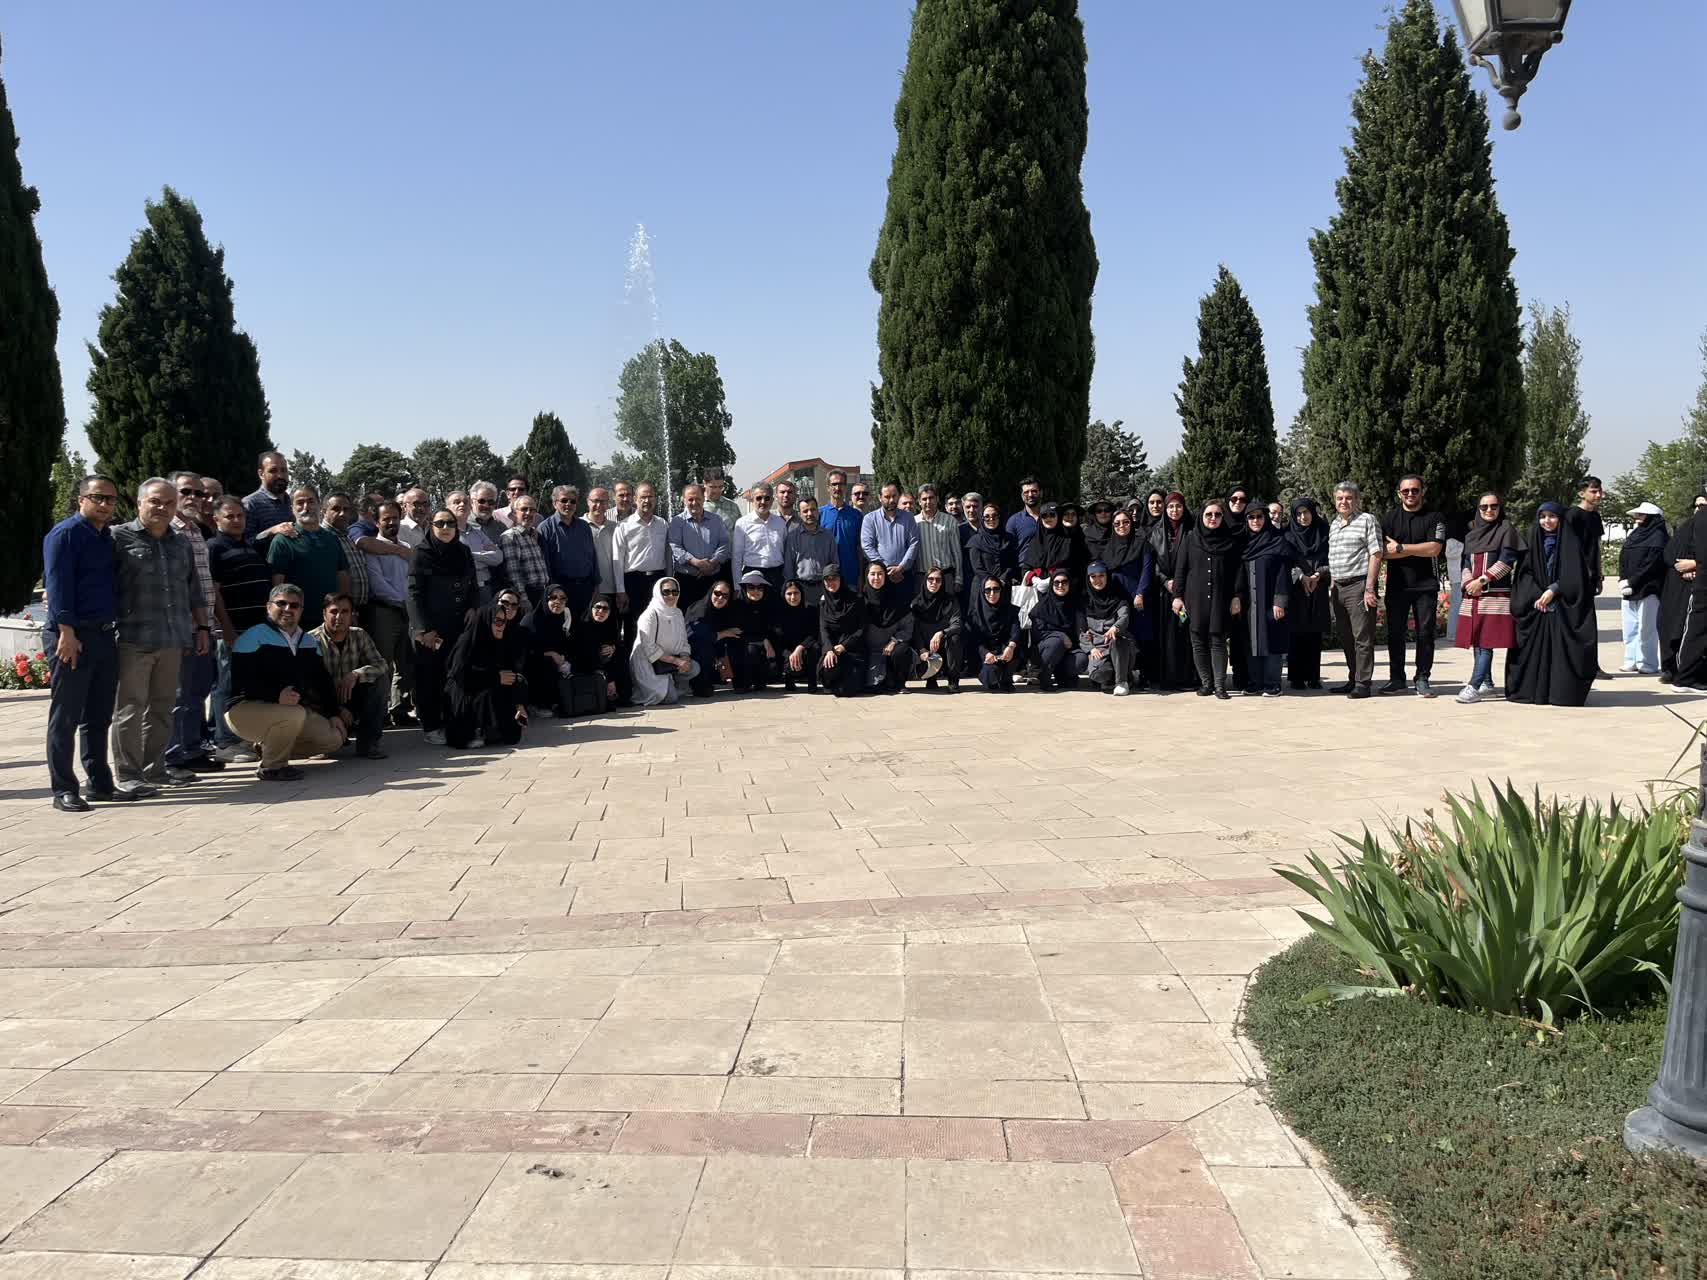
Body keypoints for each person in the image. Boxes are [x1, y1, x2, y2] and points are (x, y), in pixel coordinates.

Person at [42, 474, 135, 811]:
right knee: (65, 716)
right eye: (98, 497)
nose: (105, 504)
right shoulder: (65, 534)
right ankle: (63, 789)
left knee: (98, 716)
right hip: (72, 637)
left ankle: (100, 783)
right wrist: (66, 632)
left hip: (104, 635)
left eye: (111, 499)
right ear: (81, 499)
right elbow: (58, 586)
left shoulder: (106, 537)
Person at [113, 478, 210, 790]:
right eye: (155, 501)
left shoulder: (181, 543)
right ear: (139, 502)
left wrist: (202, 627)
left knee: (163, 709)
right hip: (133, 638)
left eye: (169, 503)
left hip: (172, 639)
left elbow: (193, 591)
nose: (162, 508)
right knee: (130, 710)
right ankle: (128, 775)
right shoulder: (117, 537)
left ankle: (155, 771)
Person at [226, 584, 347, 782]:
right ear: (268, 607)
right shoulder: (252, 637)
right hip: (243, 711)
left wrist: (333, 713)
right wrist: (276, 695)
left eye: (294, 605)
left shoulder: (308, 641)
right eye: (281, 603)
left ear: (301, 610)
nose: (288, 609)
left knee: (334, 738)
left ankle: (269, 747)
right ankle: (272, 767)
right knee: (294, 713)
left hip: (287, 712)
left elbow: (322, 681)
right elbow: (242, 684)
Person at [1505, 502, 1596, 707]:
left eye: (1552, 516)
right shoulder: (1532, 541)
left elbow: (1577, 574)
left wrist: (1554, 590)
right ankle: (1531, 692)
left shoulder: (1571, 542)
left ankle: (1559, 694)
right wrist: (1538, 594)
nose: (1547, 521)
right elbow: (1524, 574)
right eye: (1543, 516)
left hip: (1563, 605)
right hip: (1536, 604)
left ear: (1561, 519)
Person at [165, 471, 225, 775]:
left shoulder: (196, 530)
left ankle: (191, 749)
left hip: (204, 627)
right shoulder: (167, 532)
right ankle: (172, 756)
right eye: (187, 491)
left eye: (199, 493)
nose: (194, 498)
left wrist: (207, 625)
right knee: (178, 695)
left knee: (197, 693)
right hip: (180, 628)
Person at [206, 499, 274, 763]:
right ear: (216, 519)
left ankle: (245, 736)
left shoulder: (248, 546)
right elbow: (214, 592)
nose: (236, 520)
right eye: (230, 516)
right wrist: (227, 629)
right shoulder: (215, 547)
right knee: (226, 685)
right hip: (233, 631)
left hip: (257, 630)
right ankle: (224, 741)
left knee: (248, 686)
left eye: (240, 516)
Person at [409, 508, 478, 745]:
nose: (446, 528)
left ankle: (454, 722)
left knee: (455, 675)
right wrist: (424, 629)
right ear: (431, 525)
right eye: (440, 523)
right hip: (431, 628)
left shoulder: (463, 551)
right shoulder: (420, 553)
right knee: (429, 677)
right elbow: (413, 594)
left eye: (450, 523)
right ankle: (431, 726)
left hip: (458, 625)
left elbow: (473, 584)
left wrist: (473, 607)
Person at [1379, 475, 1447, 697]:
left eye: (1415, 490)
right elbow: (1382, 552)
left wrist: (1401, 548)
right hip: (1397, 586)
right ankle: (1397, 679)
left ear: (1423, 491)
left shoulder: (1434, 517)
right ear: (1399, 493)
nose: (1410, 494)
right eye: (1406, 491)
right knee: (1395, 633)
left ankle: (1422, 678)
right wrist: (1417, 549)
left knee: (1425, 633)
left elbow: (1434, 549)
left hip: (1425, 585)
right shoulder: (1389, 519)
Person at [1453, 491, 1522, 704]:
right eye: (1484, 507)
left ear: (1500, 508)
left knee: (1485, 642)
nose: (1489, 510)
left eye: (1494, 506)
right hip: (1473, 596)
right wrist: (1468, 583)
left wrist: (1481, 581)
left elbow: (1506, 562)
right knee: (1477, 641)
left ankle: (1473, 686)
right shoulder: (1472, 534)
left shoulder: (1506, 530)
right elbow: (1466, 562)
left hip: (1495, 597)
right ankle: (1487, 683)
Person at [1173, 498, 1241, 699]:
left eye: (1217, 514)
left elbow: (1238, 572)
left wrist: (1237, 596)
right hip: (1195, 599)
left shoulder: (1230, 542)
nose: (1213, 518)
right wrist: (1177, 596)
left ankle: (1220, 686)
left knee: (1218, 642)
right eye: (1208, 514)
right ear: (1201, 516)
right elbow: (1181, 570)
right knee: (1198, 642)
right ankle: (1206, 683)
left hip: (1221, 599)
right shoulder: (1191, 539)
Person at [308, 592, 390, 758]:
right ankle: (326, 739)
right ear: (324, 614)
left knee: (380, 680)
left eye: (345, 611)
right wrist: (336, 709)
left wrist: (356, 674)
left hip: (351, 699)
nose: (339, 617)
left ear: (352, 614)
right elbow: (309, 685)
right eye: (334, 611)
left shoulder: (359, 635)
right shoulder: (310, 640)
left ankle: (368, 743)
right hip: (322, 704)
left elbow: (381, 665)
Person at [445, 591, 530, 748]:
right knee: (489, 693)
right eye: (497, 621)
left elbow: (511, 673)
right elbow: (459, 675)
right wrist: (495, 677)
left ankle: (493, 730)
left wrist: (519, 705)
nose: (501, 625)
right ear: (485, 621)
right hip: (464, 691)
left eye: (504, 622)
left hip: (488, 685)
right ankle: (476, 730)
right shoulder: (467, 641)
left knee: (511, 734)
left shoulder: (501, 642)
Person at [1327, 480, 1383, 698]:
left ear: (1357, 500)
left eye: (1349, 498)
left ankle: (1363, 683)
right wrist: (1332, 585)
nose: (1344, 502)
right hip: (1338, 588)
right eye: (1340, 498)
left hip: (1359, 586)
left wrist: (1369, 588)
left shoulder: (1367, 520)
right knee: (1346, 637)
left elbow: (1376, 553)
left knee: (1362, 637)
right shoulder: (1334, 524)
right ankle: (1353, 678)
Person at [266, 487, 350, 631]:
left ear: (319, 504)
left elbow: (342, 576)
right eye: (300, 503)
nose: (306, 507)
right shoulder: (282, 541)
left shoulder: (332, 539)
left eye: (311, 501)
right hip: (297, 624)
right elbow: (277, 586)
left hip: (331, 622)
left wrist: (347, 611)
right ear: (292, 508)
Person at [362, 500, 414, 724]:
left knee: (405, 664)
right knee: (383, 664)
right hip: (385, 611)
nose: (392, 522)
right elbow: (377, 583)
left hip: (408, 613)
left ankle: (399, 710)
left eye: (395, 518)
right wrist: (402, 602)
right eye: (386, 519)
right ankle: (380, 712)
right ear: (377, 522)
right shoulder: (373, 549)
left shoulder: (406, 548)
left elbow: (412, 579)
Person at [1236, 504, 1295, 697]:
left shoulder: (1277, 541)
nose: (1255, 521)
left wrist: (1280, 601)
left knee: (1272, 640)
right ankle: (1255, 682)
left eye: (1259, 517)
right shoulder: (1244, 543)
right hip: (1250, 603)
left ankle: (1272, 683)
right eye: (1251, 517)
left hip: (1271, 602)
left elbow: (1283, 574)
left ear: (1266, 518)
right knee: (1252, 641)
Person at [1148, 493, 1197, 690]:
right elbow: (1151, 562)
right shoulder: (1156, 532)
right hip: (1164, 593)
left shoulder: (1192, 529)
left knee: (1184, 631)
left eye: (1178, 506)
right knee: (1166, 635)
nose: (1174, 510)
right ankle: (1168, 678)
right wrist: (1164, 580)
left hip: (1186, 592)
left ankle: (1187, 677)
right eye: (1171, 507)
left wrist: (1180, 584)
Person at [1101, 508, 1153, 689]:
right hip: (1117, 599)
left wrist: (1140, 593)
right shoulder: (1109, 547)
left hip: (1137, 597)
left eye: (1125, 522)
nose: (1121, 526)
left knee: (1142, 636)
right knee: (1121, 635)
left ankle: (1145, 674)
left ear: (1132, 523)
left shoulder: (1142, 543)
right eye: (1117, 523)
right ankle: (1124, 674)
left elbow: (1147, 570)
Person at [1284, 497, 1331, 691]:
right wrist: (1301, 577)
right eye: (1299, 513)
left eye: (1306, 512)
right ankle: (1296, 677)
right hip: (1296, 590)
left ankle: (1313, 677)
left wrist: (1319, 574)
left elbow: (1331, 557)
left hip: (1318, 587)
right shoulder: (1287, 535)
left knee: (1314, 633)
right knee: (1296, 633)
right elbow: (1285, 562)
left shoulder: (1324, 532)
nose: (1303, 517)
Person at [629, 577, 699, 706]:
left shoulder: (677, 612)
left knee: (694, 668)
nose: (671, 595)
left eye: (675, 592)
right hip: (648, 662)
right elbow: (649, 648)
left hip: (668, 661)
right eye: (666, 592)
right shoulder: (649, 615)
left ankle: (670, 683)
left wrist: (685, 657)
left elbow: (683, 640)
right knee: (671, 698)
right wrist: (677, 661)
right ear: (658, 592)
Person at [1659, 495, 1707, 683]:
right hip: (1678, 589)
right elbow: (1671, 554)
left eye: (1703, 506)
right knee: (1674, 628)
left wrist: (1696, 565)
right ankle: (1673, 670)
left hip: (1697, 587)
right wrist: (1685, 567)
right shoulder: (1687, 528)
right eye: (1697, 505)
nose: (1700, 509)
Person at [616, 483, 670, 648]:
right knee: (633, 625)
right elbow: (617, 560)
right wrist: (621, 590)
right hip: (633, 582)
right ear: (635, 499)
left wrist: (669, 580)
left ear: (655, 499)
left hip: (658, 580)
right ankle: (632, 662)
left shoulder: (663, 524)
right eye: (643, 497)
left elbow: (668, 555)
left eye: (650, 497)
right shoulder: (623, 526)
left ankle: (656, 661)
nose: (647, 500)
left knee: (658, 623)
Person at [1618, 502, 1669, 675]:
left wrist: (1632, 582)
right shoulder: (1635, 535)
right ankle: (1631, 660)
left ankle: (1647, 662)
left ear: (1652, 518)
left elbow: (1652, 565)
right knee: (1630, 627)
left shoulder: (1659, 538)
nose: (1637, 517)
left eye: (1641, 514)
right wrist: (1622, 579)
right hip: (1628, 589)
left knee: (1646, 628)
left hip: (1648, 589)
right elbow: (1623, 558)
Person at [537, 486, 601, 616]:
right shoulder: (545, 528)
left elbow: (592, 557)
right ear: (555, 503)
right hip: (560, 591)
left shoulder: (584, 527)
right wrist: (552, 591)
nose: (568, 504)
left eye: (572, 501)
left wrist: (596, 585)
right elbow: (545, 564)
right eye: (564, 500)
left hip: (586, 589)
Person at [668, 482, 731, 612]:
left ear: (703, 498)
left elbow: (724, 543)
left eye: (698, 498)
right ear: (684, 500)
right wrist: (695, 562)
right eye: (690, 499)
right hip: (687, 580)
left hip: (712, 579)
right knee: (687, 617)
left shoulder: (716, 520)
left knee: (713, 616)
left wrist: (713, 563)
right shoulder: (677, 521)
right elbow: (675, 546)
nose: (694, 502)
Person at [517, 583, 575, 717]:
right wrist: (550, 653)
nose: (558, 602)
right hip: (531, 665)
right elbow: (525, 651)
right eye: (553, 597)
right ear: (545, 599)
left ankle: (559, 699)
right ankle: (536, 703)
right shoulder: (531, 620)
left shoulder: (564, 618)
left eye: (562, 598)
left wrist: (563, 657)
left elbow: (567, 644)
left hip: (557, 662)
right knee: (546, 662)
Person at [859, 560, 915, 693]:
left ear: (885, 576)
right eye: (873, 574)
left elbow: (907, 627)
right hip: (868, 653)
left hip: (890, 650)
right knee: (873, 687)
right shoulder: (860, 601)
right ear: (867, 576)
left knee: (903, 650)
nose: (876, 578)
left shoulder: (897, 600)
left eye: (880, 574)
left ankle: (899, 682)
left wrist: (894, 641)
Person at [1079, 560, 1133, 695]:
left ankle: (1122, 682)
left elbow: (1124, 616)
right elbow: (1081, 630)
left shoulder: (1118, 597)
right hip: (1099, 649)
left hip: (1119, 646)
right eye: (1093, 576)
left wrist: (1116, 627)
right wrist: (1091, 648)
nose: (1098, 580)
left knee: (1118, 641)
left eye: (1101, 575)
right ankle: (1114, 677)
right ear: (1088, 578)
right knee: (1099, 674)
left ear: (1107, 576)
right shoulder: (1084, 601)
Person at [569, 594, 629, 707]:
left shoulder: (610, 627)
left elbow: (618, 645)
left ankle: (619, 695)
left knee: (619, 656)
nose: (601, 611)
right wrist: (609, 679)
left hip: (605, 667)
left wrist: (613, 648)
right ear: (591, 608)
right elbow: (584, 655)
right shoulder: (582, 627)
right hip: (586, 668)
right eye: (598, 607)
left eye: (605, 609)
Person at [817, 563, 867, 697]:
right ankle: (830, 682)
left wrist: (844, 646)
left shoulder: (856, 600)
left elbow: (862, 628)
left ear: (841, 579)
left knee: (846, 691)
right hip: (832, 649)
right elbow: (824, 629)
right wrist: (829, 650)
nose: (831, 582)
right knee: (829, 667)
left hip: (852, 650)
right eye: (827, 579)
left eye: (834, 578)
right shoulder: (823, 603)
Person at [860, 482, 920, 593]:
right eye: (887, 497)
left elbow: (914, 543)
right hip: (879, 577)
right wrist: (886, 568)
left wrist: (901, 567)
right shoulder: (870, 519)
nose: (891, 500)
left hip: (904, 576)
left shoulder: (908, 518)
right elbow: (867, 547)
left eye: (894, 496)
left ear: (898, 496)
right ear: (880, 497)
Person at [966, 574, 1022, 692]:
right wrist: (986, 653)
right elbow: (975, 640)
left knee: (1018, 644)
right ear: (982, 591)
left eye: (996, 589)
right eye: (988, 590)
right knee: (990, 677)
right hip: (985, 654)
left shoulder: (1010, 610)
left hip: (1005, 650)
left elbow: (1016, 630)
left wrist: (1011, 647)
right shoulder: (975, 614)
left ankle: (1006, 678)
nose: (992, 593)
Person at [910, 566, 962, 691]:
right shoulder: (916, 603)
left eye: (938, 580)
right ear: (925, 581)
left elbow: (957, 624)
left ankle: (953, 680)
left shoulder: (950, 600)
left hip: (945, 646)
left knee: (955, 638)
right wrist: (921, 649)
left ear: (942, 582)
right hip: (925, 649)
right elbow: (914, 630)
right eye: (930, 579)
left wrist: (941, 633)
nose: (934, 583)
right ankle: (931, 678)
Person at [448, 490, 505, 603]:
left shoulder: (478, 532)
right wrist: (485, 556)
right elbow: (455, 561)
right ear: (448, 508)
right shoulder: (446, 533)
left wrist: (469, 555)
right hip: (462, 591)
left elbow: (499, 557)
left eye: (465, 502)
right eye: (457, 502)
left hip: (486, 590)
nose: (462, 504)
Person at [1028, 569, 1081, 692]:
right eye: (1056, 582)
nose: (1060, 586)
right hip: (1045, 651)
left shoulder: (1075, 604)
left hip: (1069, 648)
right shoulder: (1042, 607)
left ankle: (1063, 675)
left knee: (1081, 660)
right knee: (1056, 643)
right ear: (1051, 584)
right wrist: (1061, 635)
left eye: (1064, 582)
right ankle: (1044, 677)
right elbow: (1038, 633)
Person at [732, 484, 788, 591]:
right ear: (752, 500)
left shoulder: (780, 523)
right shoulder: (742, 523)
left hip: (777, 576)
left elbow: (785, 552)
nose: (763, 502)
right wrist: (737, 587)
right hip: (752, 576)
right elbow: (737, 557)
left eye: (767, 498)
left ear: (772, 500)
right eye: (758, 498)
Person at [783, 495, 836, 606]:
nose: (809, 514)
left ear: (818, 511)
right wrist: (793, 590)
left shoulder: (828, 536)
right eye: (805, 511)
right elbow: (789, 568)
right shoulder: (792, 537)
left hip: (824, 588)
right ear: (800, 514)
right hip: (801, 588)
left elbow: (834, 564)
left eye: (813, 509)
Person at [499, 494, 550, 608]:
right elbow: (513, 573)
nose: (528, 513)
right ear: (514, 513)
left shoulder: (532, 535)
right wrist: (523, 599)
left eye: (532, 510)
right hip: (527, 595)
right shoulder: (511, 536)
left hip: (541, 592)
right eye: (524, 509)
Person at [734, 570, 782, 690]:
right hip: (742, 647)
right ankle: (745, 681)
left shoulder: (769, 606)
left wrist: (766, 639)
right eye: (751, 587)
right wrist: (763, 640)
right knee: (751, 649)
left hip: (764, 646)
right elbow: (739, 633)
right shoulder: (737, 606)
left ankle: (761, 679)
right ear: (745, 589)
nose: (755, 591)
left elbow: (775, 629)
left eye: (760, 588)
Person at [914, 485, 964, 599]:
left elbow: (956, 552)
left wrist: (958, 579)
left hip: (945, 577)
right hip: (923, 577)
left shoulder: (949, 521)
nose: (928, 502)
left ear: (937, 499)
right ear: (919, 502)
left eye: (931, 498)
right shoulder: (914, 522)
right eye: (924, 499)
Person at [242, 451, 296, 552]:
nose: (280, 475)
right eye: (273, 471)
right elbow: (245, 543)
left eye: (284, 470)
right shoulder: (250, 504)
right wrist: (271, 532)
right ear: (261, 474)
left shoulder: (294, 502)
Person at [818, 469, 865, 585]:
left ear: (845, 487)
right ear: (828, 487)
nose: (837, 488)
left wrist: (861, 577)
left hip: (851, 576)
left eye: (841, 484)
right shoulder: (819, 514)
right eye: (834, 484)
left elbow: (860, 548)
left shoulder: (856, 515)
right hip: (827, 577)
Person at [1564, 476, 1606, 597]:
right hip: (1574, 574)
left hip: (1591, 576)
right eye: (1593, 491)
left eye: (1600, 491)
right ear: (1582, 494)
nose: (1598, 495)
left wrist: (1599, 575)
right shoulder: (1571, 515)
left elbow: (1597, 546)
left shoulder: (1595, 516)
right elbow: (1566, 548)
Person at [776, 580, 821, 692]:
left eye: (796, 593)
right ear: (784, 595)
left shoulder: (810, 610)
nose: (793, 597)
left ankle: (812, 682)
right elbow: (778, 639)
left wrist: (800, 648)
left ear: (802, 593)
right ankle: (789, 679)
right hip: (786, 650)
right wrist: (789, 654)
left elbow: (814, 634)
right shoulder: (778, 613)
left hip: (805, 648)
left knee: (814, 648)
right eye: (789, 594)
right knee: (789, 665)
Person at [583, 487, 622, 611]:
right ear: (588, 501)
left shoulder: (616, 528)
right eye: (595, 501)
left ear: (608, 504)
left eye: (603, 501)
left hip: (611, 590)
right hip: (586, 589)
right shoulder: (578, 525)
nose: (599, 505)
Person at [1006, 476, 1044, 547]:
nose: (1030, 495)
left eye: (1034, 491)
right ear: (1022, 496)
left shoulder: (1051, 516)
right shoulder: (1014, 521)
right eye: (1026, 492)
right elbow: (1009, 550)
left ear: (1041, 493)